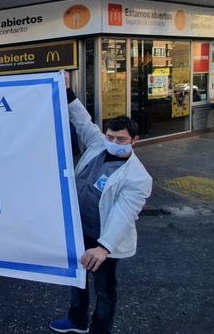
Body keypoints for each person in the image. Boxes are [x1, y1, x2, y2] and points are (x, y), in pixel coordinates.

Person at [49, 71, 152, 334]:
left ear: (134, 141)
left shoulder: (138, 177)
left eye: (121, 140)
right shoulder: (98, 145)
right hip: (78, 228)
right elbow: (82, 121)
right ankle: (77, 320)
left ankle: (100, 329)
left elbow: (124, 215)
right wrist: (68, 92)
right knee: (77, 279)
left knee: (104, 289)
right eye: (111, 137)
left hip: (103, 239)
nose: (114, 143)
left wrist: (103, 248)